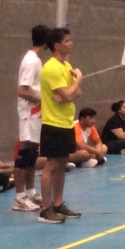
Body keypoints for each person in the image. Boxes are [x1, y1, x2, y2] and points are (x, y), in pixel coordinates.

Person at [37, 26, 83, 224]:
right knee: (51, 165)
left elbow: (74, 94)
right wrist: (77, 81)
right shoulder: (52, 68)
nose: (71, 43)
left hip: (66, 122)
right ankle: (45, 210)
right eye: (67, 41)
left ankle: (58, 204)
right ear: (57, 46)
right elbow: (68, 94)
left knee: (63, 163)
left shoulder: (65, 66)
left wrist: (68, 94)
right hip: (53, 123)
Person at [13, 23, 48, 211]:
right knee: (24, 154)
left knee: (33, 154)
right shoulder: (31, 61)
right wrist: (41, 100)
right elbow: (22, 90)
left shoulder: (36, 59)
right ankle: (19, 197)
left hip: (36, 114)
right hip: (29, 113)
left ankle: (31, 191)